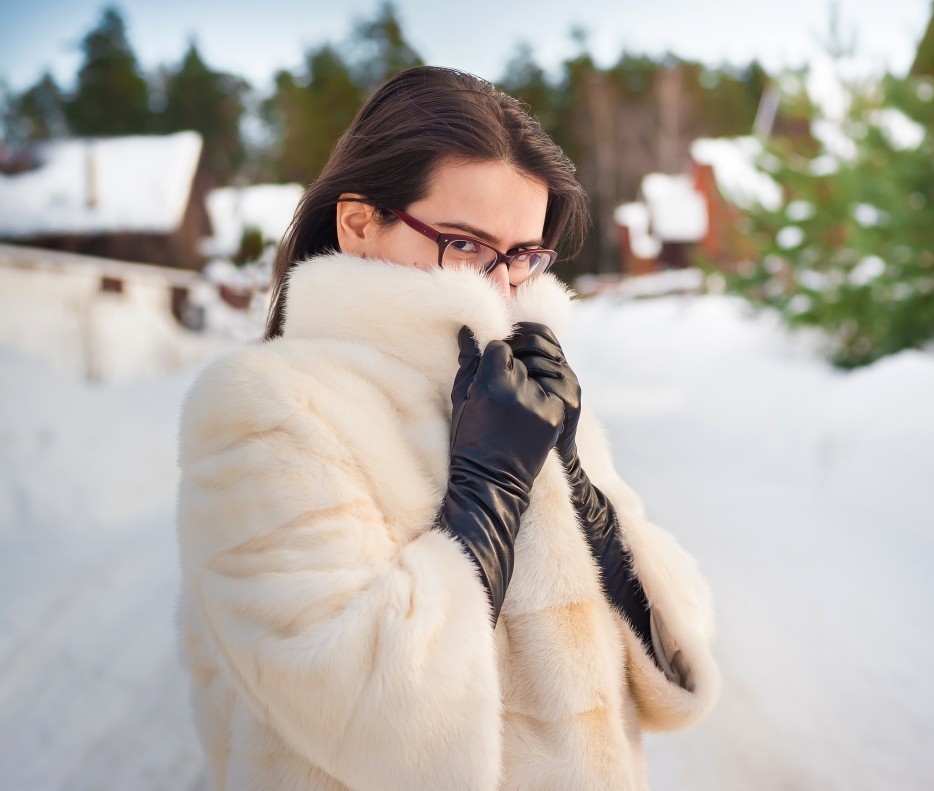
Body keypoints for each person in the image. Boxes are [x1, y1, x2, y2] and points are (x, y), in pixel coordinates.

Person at [176, 65, 719, 791]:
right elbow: (370, 719)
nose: (498, 289)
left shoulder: (526, 393)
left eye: (523, 255)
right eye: (465, 244)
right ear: (360, 222)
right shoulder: (266, 405)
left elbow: (668, 666)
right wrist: (488, 493)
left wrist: (585, 496)